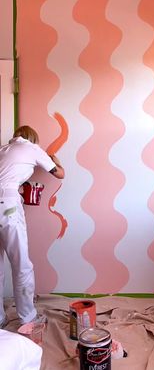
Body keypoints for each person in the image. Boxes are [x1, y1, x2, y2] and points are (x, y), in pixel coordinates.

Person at [0, 125, 65, 328]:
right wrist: (55, 161)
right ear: (32, 138)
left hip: (5, 199)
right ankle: (28, 319)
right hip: (8, 207)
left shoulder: (3, 150)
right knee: (22, 265)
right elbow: (60, 174)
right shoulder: (33, 149)